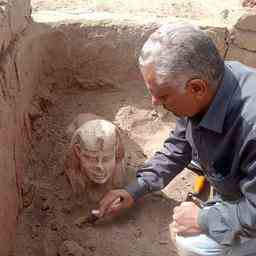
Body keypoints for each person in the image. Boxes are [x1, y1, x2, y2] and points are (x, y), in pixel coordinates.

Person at [93, 23, 256, 255]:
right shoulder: (211, 85)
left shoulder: (251, 126)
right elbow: (178, 147)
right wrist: (134, 189)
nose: (154, 102)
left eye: (163, 95)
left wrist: (203, 219)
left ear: (197, 88)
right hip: (242, 187)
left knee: (192, 243)